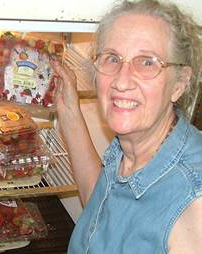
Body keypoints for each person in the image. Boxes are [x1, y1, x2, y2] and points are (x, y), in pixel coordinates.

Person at [51, 0, 202, 253]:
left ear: (179, 83)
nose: (121, 81)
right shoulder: (133, 145)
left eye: (147, 62)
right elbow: (103, 209)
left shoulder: (194, 203)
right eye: (112, 58)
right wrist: (68, 112)